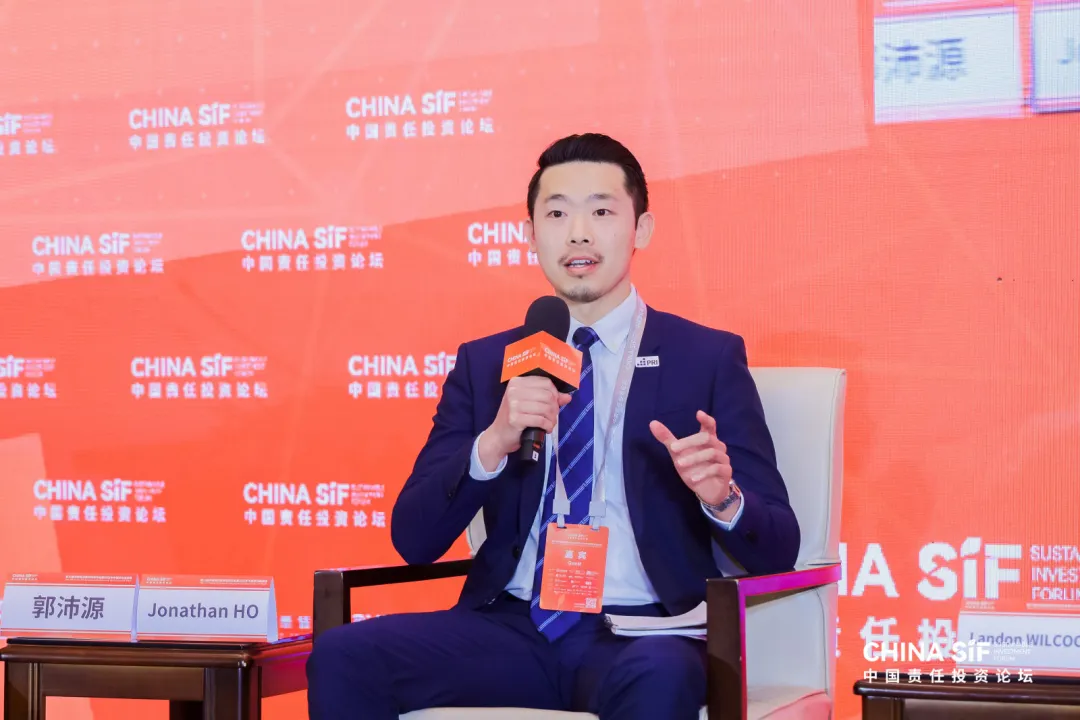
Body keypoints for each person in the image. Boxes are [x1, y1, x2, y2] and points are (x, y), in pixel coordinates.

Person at [306, 133, 800, 719]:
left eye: (601, 212)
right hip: (511, 628)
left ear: (641, 229)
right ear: (530, 233)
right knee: (343, 655)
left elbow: (779, 548)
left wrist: (722, 499)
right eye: (557, 214)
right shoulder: (486, 363)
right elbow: (413, 540)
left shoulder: (705, 357)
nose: (578, 233)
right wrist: (492, 444)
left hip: (641, 634)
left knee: (662, 677)